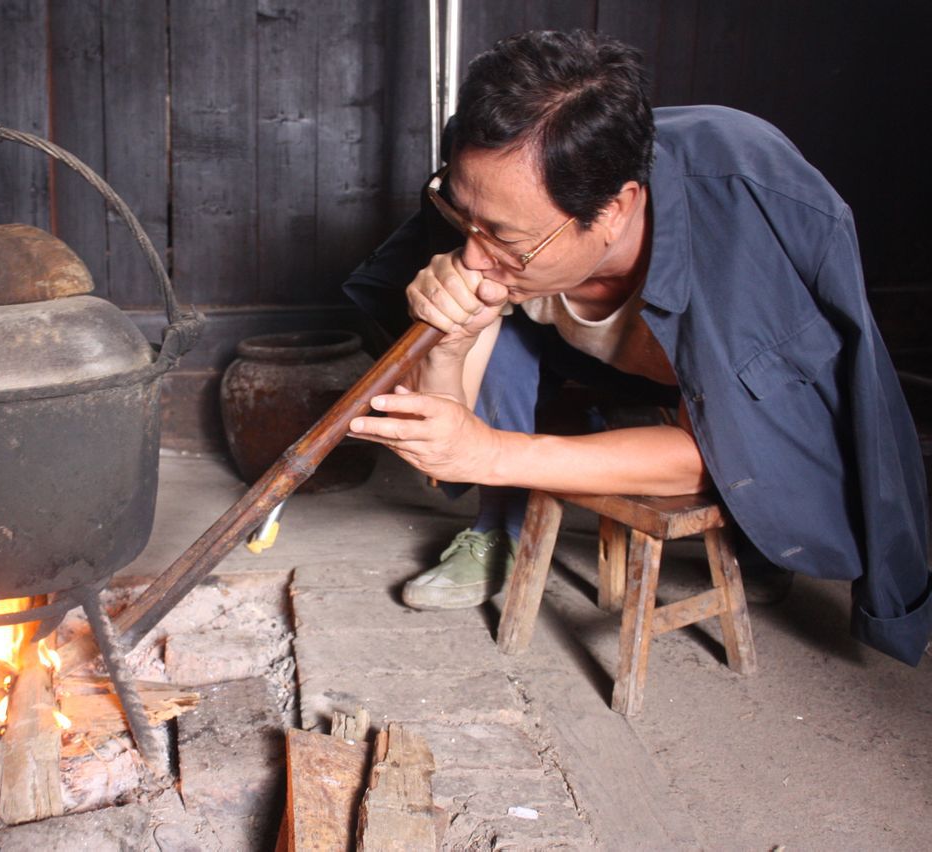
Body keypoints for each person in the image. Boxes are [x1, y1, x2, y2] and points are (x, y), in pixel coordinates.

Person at [343, 29, 930, 666]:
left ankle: (757, 541)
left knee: (762, 456)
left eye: (505, 237)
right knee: (482, 322)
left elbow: (725, 454)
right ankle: (499, 530)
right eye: (463, 217)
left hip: (708, 376)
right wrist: (450, 346)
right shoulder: (496, 196)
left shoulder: (742, 228)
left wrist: (492, 451)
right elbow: (441, 447)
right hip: (579, 354)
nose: (474, 252)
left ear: (617, 207)